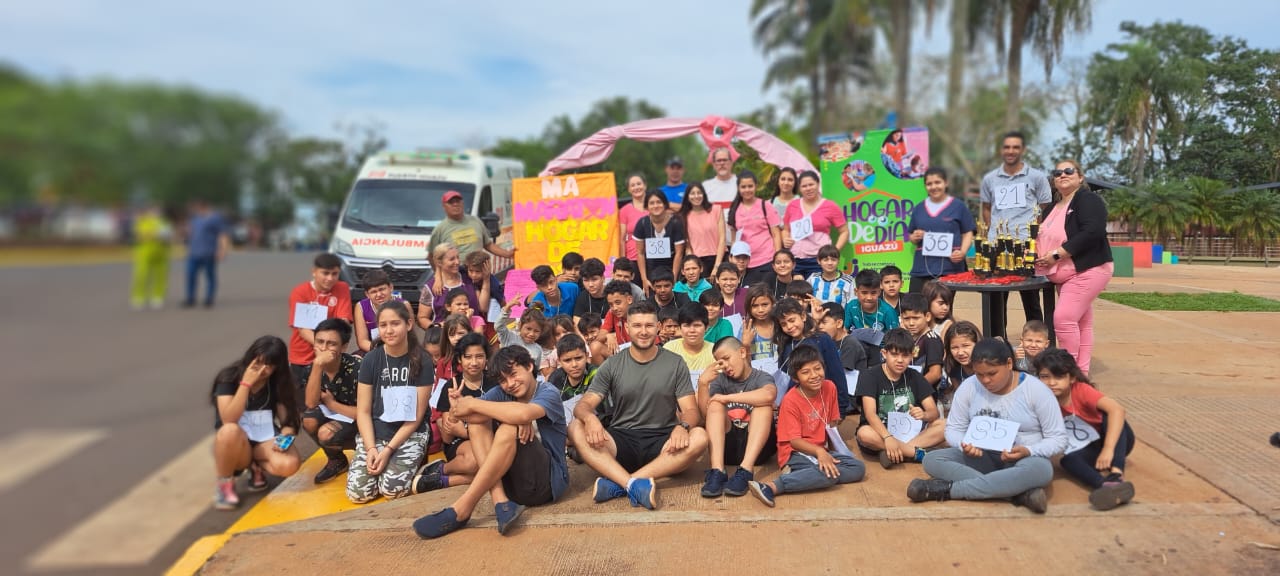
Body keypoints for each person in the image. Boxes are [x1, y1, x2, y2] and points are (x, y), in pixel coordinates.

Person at [413, 344, 570, 538]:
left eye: (514, 374)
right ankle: (501, 502)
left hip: (546, 484)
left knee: (509, 426)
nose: (510, 383)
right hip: (512, 486)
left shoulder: (548, 392)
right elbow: (471, 416)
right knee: (479, 424)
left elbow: (524, 413)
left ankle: (463, 508)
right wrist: (457, 407)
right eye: (503, 380)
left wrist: (474, 403)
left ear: (529, 366)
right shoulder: (503, 393)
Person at [569, 300, 710, 510]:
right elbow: (584, 405)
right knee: (576, 427)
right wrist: (590, 419)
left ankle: (622, 483)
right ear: (627, 327)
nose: (643, 332)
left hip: (664, 442)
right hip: (621, 439)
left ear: (658, 327)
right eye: (637, 325)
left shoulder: (675, 362)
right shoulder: (612, 364)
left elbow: (690, 410)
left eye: (649, 325)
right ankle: (632, 484)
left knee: (699, 436)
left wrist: (682, 427)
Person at [907, 338, 1067, 514]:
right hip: (981, 457)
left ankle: (948, 490)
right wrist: (964, 444)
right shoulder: (969, 387)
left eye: (992, 373)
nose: (985, 380)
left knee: (1042, 470)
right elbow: (953, 429)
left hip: (1023, 460)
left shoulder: (1036, 390)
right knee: (932, 460)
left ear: (1009, 364)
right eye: (979, 374)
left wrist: (1029, 450)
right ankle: (1017, 494)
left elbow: (1058, 439)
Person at [745, 344, 866, 507]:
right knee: (827, 474)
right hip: (795, 452)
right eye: (806, 372)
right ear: (796, 378)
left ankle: (804, 475)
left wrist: (833, 452)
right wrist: (820, 453)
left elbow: (831, 425)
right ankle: (772, 486)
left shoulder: (829, 387)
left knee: (858, 468)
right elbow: (794, 441)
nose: (814, 375)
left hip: (819, 450)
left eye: (817, 369)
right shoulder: (790, 400)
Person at [1033, 160, 1113, 374]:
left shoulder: (1088, 199)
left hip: (1087, 269)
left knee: (1064, 319)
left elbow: (1093, 231)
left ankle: (1066, 372)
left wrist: (1057, 254)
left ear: (1080, 177)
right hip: (1064, 275)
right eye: (1057, 172)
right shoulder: (1052, 207)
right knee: (1081, 323)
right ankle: (1081, 372)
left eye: (1068, 171)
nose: (1062, 175)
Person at [348, 302, 433, 503]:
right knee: (358, 494)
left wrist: (388, 451)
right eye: (383, 325)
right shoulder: (370, 359)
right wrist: (371, 448)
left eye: (395, 323)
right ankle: (386, 464)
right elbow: (363, 411)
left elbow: (416, 417)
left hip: (409, 433)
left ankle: (423, 465)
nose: (389, 330)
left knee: (392, 491)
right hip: (376, 433)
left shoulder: (423, 360)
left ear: (409, 324)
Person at [1035, 348, 1136, 511]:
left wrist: (1108, 449)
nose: (1052, 383)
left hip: (1115, 441)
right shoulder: (1040, 399)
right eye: (1045, 377)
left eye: (1059, 377)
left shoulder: (1081, 390)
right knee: (1068, 460)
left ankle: (1117, 474)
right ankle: (1105, 486)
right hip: (1087, 447)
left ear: (1072, 378)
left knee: (1110, 416)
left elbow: (1118, 410)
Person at [211, 336, 302, 509]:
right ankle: (225, 484)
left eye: (269, 365)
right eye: (258, 362)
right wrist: (245, 384)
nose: (262, 369)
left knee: (290, 464)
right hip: (236, 444)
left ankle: (256, 467)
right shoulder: (228, 378)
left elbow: (288, 422)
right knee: (229, 430)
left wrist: (285, 437)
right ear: (250, 357)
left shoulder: (278, 382)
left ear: (277, 367)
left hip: (264, 440)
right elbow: (228, 419)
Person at [980, 131, 1053, 330]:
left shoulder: (1037, 177)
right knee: (996, 298)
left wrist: (1033, 233)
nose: (1011, 151)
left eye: (1015, 147)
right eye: (1007, 147)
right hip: (997, 247)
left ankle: (1037, 340)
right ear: (1001, 150)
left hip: (1025, 246)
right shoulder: (990, 179)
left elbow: (1044, 206)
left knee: (1031, 297)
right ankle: (997, 340)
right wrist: (993, 232)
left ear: (1023, 150)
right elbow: (986, 207)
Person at [414, 333, 499, 495]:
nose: (474, 362)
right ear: (459, 359)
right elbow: (448, 437)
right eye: (468, 357)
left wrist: (465, 429)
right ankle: (444, 468)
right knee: (478, 461)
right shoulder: (450, 387)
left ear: (487, 358)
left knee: (493, 464)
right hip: (460, 445)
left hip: (492, 439)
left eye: (479, 356)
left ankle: (444, 480)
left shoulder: (496, 383)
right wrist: (454, 411)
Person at [854, 328, 946, 469]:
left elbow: (933, 412)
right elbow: (870, 414)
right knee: (864, 434)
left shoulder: (914, 376)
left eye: (905, 355)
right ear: (884, 353)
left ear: (912, 355)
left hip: (911, 434)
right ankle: (916, 453)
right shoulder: (869, 375)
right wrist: (887, 437)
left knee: (945, 425)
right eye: (894, 354)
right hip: (880, 434)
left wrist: (924, 414)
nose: (900, 360)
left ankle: (895, 453)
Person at [697, 337, 778, 498]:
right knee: (714, 404)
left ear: (742, 352)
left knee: (763, 405)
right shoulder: (720, 381)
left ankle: (746, 470)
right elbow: (707, 415)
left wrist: (727, 398)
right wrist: (703, 384)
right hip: (728, 448)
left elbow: (769, 395)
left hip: (758, 449)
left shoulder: (761, 377)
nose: (725, 366)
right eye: (720, 362)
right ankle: (717, 471)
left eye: (727, 358)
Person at [288, 254, 354, 408]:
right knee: (305, 406)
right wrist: (324, 347)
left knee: (331, 402)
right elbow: (303, 330)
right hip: (303, 357)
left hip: (331, 357)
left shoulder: (342, 288)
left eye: (334, 274)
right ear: (314, 271)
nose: (330, 278)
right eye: (325, 273)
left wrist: (329, 350)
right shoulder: (300, 292)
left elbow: (343, 322)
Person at [300, 319, 362, 484]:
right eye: (319, 342)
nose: (323, 348)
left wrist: (332, 404)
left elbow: (366, 412)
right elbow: (311, 403)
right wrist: (317, 366)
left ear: (344, 347)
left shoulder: (358, 369)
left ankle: (364, 452)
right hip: (337, 417)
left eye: (331, 344)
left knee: (326, 433)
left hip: (365, 423)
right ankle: (337, 460)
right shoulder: (312, 369)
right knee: (309, 420)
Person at [775, 298, 852, 416]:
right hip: (795, 407)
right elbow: (784, 379)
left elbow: (837, 373)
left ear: (803, 316)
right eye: (783, 324)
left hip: (821, 404)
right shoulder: (785, 344)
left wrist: (841, 408)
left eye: (792, 320)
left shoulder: (822, 339)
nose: (789, 326)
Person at [907, 167, 976, 290]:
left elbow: (967, 232)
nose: (933, 187)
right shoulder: (918, 209)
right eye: (929, 184)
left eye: (937, 182)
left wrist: (962, 252)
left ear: (946, 183)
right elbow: (911, 236)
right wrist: (914, 237)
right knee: (915, 301)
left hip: (950, 268)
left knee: (942, 302)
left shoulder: (958, 206)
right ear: (925, 186)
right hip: (922, 268)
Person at [783, 170, 848, 279]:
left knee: (817, 289)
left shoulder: (830, 206)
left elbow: (844, 231)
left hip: (818, 260)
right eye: (804, 186)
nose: (808, 188)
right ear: (799, 188)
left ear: (818, 184)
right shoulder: (793, 205)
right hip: (795, 260)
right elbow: (785, 229)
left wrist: (834, 251)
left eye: (811, 184)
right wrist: (785, 238)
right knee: (795, 289)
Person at [428, 190, 517, 262]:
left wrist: (507, 254)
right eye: (451, 202)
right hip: (456, 273)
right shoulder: (440, 229)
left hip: (479, 271)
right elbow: (431, 256)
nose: (455, 204)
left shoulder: (475, 221)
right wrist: (439, 275)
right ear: (444, 206)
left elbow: (488, 244)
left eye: (458, 201)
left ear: (462, 203)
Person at [726, 170, 782, 286]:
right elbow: (734, 240)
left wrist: (777, 259)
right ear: (738, 188)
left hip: (767, 260)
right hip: (744, 264)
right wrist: (734, 261)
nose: (747, 190)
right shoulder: (735, 209)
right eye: (743, 187)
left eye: (750, 186)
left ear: (756, 186)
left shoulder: (765, 205)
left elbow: (776, 234)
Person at [633, 190, 687, 293]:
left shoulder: (676, 222)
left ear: (665, 204)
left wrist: (673, 278)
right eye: (652, 203)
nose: (655, 206)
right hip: (651, 270)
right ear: (646, 206)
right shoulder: (642, 223)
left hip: (671, 267)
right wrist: (644, 279)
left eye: (659, 202)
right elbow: (640, 253)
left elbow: (679, 253)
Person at [354, 271, 414, 355]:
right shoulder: (361, 307)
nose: (379, 294)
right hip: (373, 350)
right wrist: (382, 353)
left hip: (400, 349)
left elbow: (410, 336)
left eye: (382, 289)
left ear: (391, 287)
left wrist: (393, 352)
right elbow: (362, 341)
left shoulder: (404, 305)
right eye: (373, 292)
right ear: (367, 294)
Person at [183, 199, 229, 308]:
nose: (195, 210)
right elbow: (190, 234)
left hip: (209, 252)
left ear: (203, 207)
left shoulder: (216, 219)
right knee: (191, 275)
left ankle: (209, 298)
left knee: (210, 276)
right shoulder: (195, 219)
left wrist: (222, 250)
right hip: (194, 253)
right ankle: (190, 299)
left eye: (196, 208)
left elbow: (222, 235)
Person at [678, 182, 726, 277]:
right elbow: (688, 246)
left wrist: (717, 266)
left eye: (699, 193)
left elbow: (722, 239)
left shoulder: (716, 210)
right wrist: (692, 267)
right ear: (687, 197)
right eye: (692, 193)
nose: (696, 196)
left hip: (718, 258)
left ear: (703, 194)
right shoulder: (683, 216)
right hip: (697, 262)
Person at [130, 204, 172, 310]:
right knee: (141, 275)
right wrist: (153, 235)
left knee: (160, 276)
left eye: (157, 211)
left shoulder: (164, 223)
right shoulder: (142, 222)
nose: (155, 213)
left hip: (161, 252)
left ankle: (158, 297)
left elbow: (168, 237)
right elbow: (139, 236)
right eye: (153, 211)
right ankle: (138, 297)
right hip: (144, 252)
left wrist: (153, 235)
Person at [898, 294, 944, 389]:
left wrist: (913, 389)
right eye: (906, 318)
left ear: (927, 316)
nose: (911, 323)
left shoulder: (932, 340)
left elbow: (935, 373)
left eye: (916, 318)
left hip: (924, 392)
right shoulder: (908, 338)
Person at [663, 303, 716, 384]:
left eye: (697, 325)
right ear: (680, 327)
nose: (692, 330)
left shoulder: (715, 351)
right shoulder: (669, 349)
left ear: (706, 327)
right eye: (687, 325)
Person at [941, 320, 982, 410]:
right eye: (954, 347)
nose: (960, 352)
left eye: (966, 346)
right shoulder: (953, 368)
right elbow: (962, 399)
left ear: (977, 344)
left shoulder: (988, 366)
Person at [818, 302, 869, 372]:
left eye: (824, 322)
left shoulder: (850, 343)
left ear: (839, 323)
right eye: (818, 323)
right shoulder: (825, 341)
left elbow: (840, 373)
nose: (820, 327)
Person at [496, 298, 545, 367]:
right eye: (528, 329)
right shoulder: (509, 337)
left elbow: (535, 370)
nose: (531, 334)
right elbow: (499, 326)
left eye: (536, 331)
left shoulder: (538, 350)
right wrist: (507, 308)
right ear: (520, 325)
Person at [740, 285, 779, 369]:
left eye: (765, 304)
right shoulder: (746, 329)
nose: (760, 310)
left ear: (773, 304)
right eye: (755, 306)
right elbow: (741, 363)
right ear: (748, 307)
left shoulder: (780, 325)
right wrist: (746, 345)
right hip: (756, 375)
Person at [599, 280, 635, 358]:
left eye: (618, 303)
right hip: (621, 352)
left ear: (629, 299)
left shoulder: (640, 313)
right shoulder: (612, 312)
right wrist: (608, 335)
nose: (614, 308)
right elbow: (599, 337)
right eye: (611, 304)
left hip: (639, 351)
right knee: (595, 347)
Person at [464, 250, 505, 317]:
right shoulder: (465, 275)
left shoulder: (493, 284)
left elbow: (502, 301)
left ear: (486, 270)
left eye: (478, 271)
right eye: (471, 271)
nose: (474, 275)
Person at [618, 174, 648, 261]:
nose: (636, 187)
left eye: (639, 184)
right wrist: (623, 261)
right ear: (629, 189)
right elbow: (622, 239)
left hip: (653, 257)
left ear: (645, 185)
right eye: (633, 185)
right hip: (632, 258)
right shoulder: (624, 211)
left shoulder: (654, 206)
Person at [573, 258, 610, 322]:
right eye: (586, 280)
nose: (590, 285)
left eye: (594, 279)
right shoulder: (582, 297)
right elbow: (577, 323)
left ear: (603, 278)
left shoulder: (612, 295)